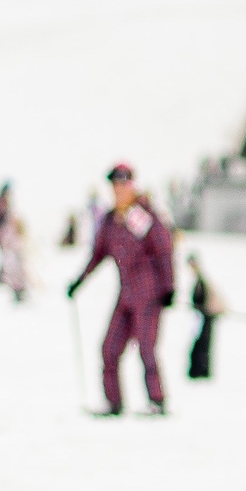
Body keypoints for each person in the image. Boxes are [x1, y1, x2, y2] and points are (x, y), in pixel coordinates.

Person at [68, 163, 175, 416]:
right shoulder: (110, 220)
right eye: (115, 185)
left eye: (124, 184)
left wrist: (169, 287)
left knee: (146, 348)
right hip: (126, 296)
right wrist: (79, 282)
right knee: (109, 348)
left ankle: (157, 401)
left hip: (148, 295)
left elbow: (163, 250)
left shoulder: (141, 215)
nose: (119, 189)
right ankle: (113, 402)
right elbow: (98, 254)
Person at [186, 253, 225, 380]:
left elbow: (209, 299)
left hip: (207, 317)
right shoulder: (200, 279)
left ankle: (201, 372)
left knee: (202, 345)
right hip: (202, 316)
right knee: (200, 344)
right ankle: (199, 371)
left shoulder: (202, 280)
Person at [0, 183, 32, 304]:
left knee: (14, 267)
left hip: (11, 243)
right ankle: (15, 289)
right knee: (11, 267)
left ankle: (18, 290)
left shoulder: (4, 205)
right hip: (7, 240)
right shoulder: (2, 204)